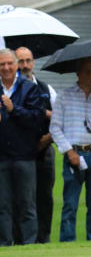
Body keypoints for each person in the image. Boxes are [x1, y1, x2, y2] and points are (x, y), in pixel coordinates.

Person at [50, 57, 91, 242]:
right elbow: (54, 128)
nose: (90, 74)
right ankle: (67, 241)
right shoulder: (64, 96)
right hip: (74, 152)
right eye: (86, 70)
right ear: (78, 73)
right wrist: (69, 152)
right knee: (70, 202)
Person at [0, 48, 45, 246]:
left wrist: (13, 109)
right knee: (3, 205)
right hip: (2, 156)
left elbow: (37, 119)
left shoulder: (28, 88)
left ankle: (29, 245)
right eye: (2, 64)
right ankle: (5, 244)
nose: (6, 68)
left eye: (10, 63)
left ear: (17, 65)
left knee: (27, 204)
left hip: (24, 156)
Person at [14, 47, 57, 243]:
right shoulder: (9, 90)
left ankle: (43, 239)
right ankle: (20, 240)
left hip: (44, 152)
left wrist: (47, 139)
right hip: (18, 153)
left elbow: (60, 120)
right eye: (20, 61)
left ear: (33, 63)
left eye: (28, 61)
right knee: (19, 200)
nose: (25, 65)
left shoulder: (46, 89)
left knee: (44, 198)